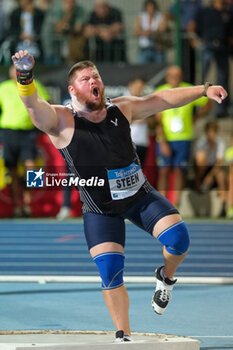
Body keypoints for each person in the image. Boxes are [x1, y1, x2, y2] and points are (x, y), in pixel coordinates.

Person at [11, 49, 227, 342]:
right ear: (73, 90)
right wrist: (25, 76)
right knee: (110, 270)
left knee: (179, 239)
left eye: (96, 75)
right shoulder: (62, 120)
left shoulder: (121, 109)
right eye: (86, 79)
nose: (93, 80)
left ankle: (165, 276)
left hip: (139, 197)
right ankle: (123, 335)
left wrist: (203, 90)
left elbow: (161, 100)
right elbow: (34, 107)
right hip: (100, 210)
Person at [155, 65, 212, 209]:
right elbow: (158, 120)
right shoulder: (160, 91)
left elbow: (208, 102)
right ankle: (162, 205)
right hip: (165, 138)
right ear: (167, 77)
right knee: (164, 170)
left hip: (184, 138)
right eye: (172, 76)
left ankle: (176, 205)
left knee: (180, 171)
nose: (176, 78)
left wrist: (197, 117)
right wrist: (162, 141)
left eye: (178, 75)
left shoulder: (188, 89)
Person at [0, 65, 50, 217]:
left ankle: (28, 203)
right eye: (15, 70)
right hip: (8, 132)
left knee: (33, 168)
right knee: (12, 170)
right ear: (10, 73)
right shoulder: (4, 87)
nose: (17, 73)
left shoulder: (34, 85)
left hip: (28, 132)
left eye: (19, 70)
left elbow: (47, 103)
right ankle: (17, 206)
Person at [189, 0, 232, 117]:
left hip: (222, 49)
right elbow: (193, 26)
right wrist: (194, 40)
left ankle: (220, 110)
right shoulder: (204, 11)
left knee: (222, 80)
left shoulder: (228, 12)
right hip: (207, 47)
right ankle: (199, 109)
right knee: (203, 80)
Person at [194, 120, 227, 217]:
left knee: (221, 175)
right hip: (202, 169)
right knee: (201, 156)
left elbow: (219, 163)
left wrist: (210, 176)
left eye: (213, 132)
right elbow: (197, 161)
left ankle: (223, 205)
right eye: (210, 132)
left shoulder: (220, 143)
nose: (211, 135)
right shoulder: (201, 143)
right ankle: (198, 183)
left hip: (213, 170)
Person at [127, 77, 149, 167]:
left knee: (139, 172)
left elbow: (148, 120)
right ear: (130, 85)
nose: (139, 90)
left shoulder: (146, 102)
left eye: (141, 88)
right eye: (137, 87)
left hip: (142, 143)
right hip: (128, 143)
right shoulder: (123, 101)